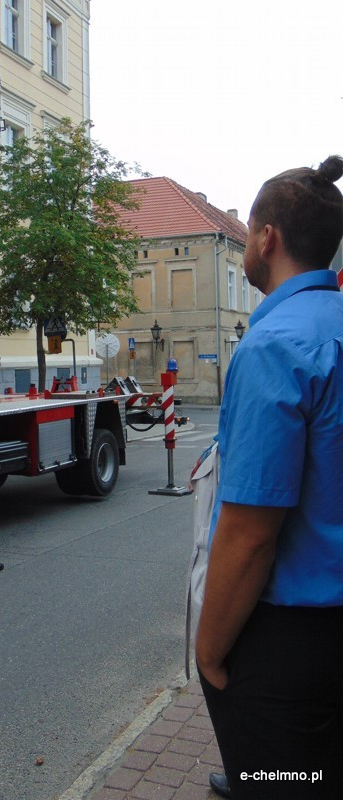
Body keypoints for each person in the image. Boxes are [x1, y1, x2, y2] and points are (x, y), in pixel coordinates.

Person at [195, 155, 343, 800]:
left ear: (266, 238)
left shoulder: (274, 346)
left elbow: (251, 534)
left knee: (278, 779)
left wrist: (208, 651)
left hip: (291, 640)